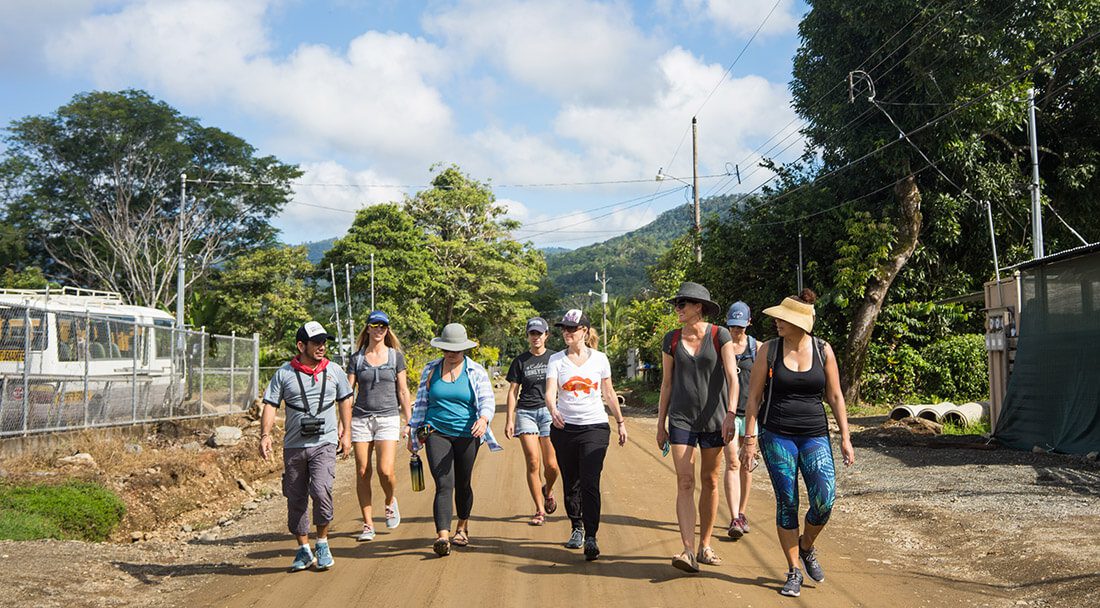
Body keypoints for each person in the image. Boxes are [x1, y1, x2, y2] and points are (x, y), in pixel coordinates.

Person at [736, 289, 855, 598]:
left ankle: (806, 546)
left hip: (815, 435)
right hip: (776, 435)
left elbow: (835, 395)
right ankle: (793, 571)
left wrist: (845, 436)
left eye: (783, 319)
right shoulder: (769, 351)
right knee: (787, 501)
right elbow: (754, 399)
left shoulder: (823, 350)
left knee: (824, 499)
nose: (777, 322)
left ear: (800, 323)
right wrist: (749, 440)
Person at [656, 282, 738, 573]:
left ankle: (705, 545)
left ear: (698, 307)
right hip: (681, 419)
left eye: (682, 304)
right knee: (685, 481)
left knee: (711, 480)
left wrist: (730, 413)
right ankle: (688, 550)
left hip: (715, 419)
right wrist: (660, 423)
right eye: (676, 305)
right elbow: (666, 384)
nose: (677, 309)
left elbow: (732, 376)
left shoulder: (720, 335)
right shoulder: (671, 339)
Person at [259, 321, 353, 572]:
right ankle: (303, 549)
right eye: (316, 342)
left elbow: (345, 400)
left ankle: (322, 542)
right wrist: (265, 435)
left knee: (321, 490)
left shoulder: (334, 370)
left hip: (325, 442)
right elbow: (270, 404)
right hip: (293, 445)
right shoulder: (284, 374)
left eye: (324, 342)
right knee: (295, 497)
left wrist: (346, 433)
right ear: (301, 345)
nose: (322, 347)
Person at [406, 323, 502, 557]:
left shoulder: (475, 370)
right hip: (435, 430)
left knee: (463, 482)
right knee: (443, 483)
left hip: (467, 433)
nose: (452, 353)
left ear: (464, 350)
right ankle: (442, 536)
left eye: (456, 350)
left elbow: (487, 399)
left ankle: (462, 527)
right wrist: (412, 432)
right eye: (448, 349)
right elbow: (421, 403)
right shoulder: (431, 370)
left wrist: (484, 419)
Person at [545, 309, 627, 561]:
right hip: (565, 429)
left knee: (590, 481)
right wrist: (553, 409)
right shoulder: (556, 360)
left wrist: (620, 422)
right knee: (571, 481)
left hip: (595, 427)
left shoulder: (600, 359)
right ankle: (576, 527)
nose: (567, 333)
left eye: (572, 328)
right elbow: (549, 392)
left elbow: (609, 393)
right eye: (564, 329)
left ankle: (591, 535)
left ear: (585, 331)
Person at [346, 310, 412, 541]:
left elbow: (403, 391)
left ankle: (389, 500)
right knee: (363, 471)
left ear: (387, 329)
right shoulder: (356, 359)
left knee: (386, 470)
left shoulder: (395, 357)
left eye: (382, 326)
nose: (378, 329)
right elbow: (348, 394)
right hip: (361, 419)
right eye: (374, 325)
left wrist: (409, 421)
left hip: (387, 418)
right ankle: (368, 524)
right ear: (368, 328)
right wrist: (344, 427)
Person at [504, 317, 560, 526]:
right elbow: (512, 392)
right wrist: (510, 419)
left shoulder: (555, 358)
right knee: (533, 461)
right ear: (528, 336)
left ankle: (548, 490)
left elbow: (564, 385)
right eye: (532, 333)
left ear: (546, 335)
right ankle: (539, 510)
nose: (535, 337)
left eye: (539, 333)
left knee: (552, 465)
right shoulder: (520, 361)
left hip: (549, 411)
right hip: (526, 412)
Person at [723, 301, 757, 539]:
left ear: (748, 323)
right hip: (728, 414)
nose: (736, 331)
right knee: (733, 462)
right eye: (733, 326)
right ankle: (734, 516)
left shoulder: (758, 348)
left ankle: (742, 512)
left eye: (740, 327)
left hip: (751, 415)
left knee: (747, 464)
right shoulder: (720, 346)